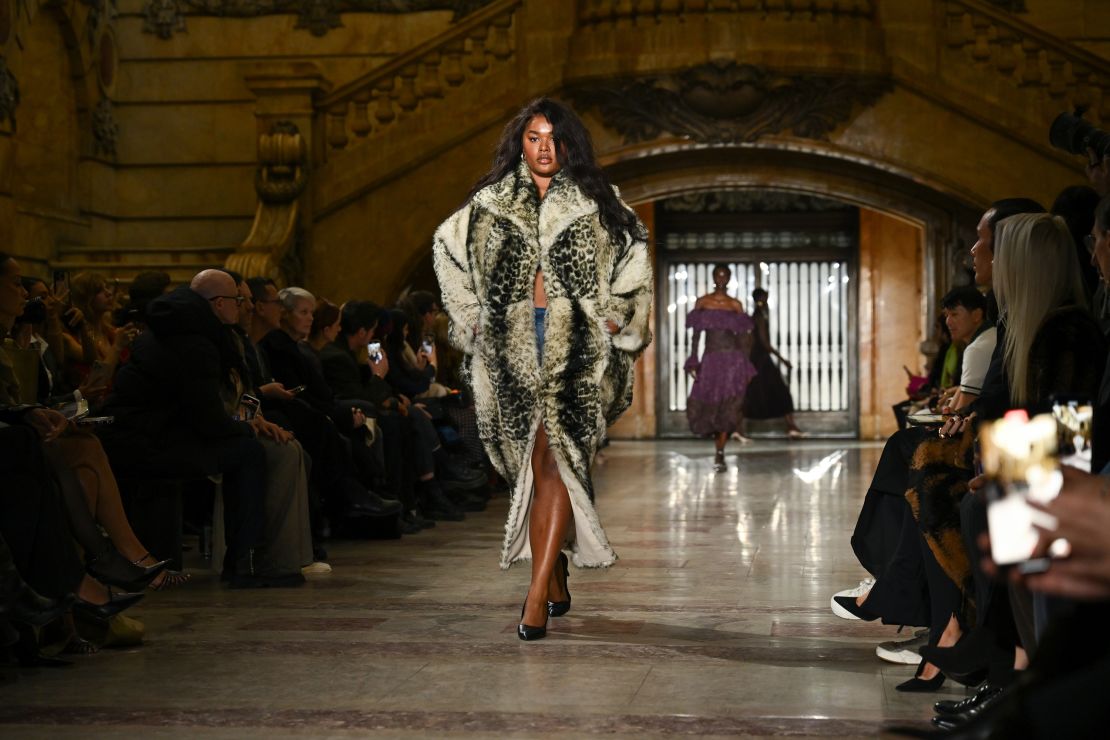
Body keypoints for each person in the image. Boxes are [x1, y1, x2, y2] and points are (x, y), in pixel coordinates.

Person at [433, 97, 653, 641]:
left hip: (576, 345)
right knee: (523, 468)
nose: (544, 147)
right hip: (509, 347)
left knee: (558, 458)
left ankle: (533, 599)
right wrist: (469, 318)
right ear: (521, 144)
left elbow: (635, 263)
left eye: (554, 137)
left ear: (570, 142)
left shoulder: (600, 202)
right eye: (534, 137)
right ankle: (552, 568)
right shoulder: (489, 204)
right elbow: (446, 251)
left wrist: (617, 316)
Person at [683, 265, 758, 472]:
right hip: (710, 360)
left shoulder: (735, 305)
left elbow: (744, 338)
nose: (721, 278)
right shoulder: (703, 302)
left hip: (733, 361)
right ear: (713, 277)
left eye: (725, 275)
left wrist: (746, 365)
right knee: (708, 402)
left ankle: (720, 452)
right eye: (718, 275)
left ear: (730, 278)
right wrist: (693, 359)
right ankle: (718, 447)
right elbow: (696, 336)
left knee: (729, 405)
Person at [743, 287, 803, 438]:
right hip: (761, 359)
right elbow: (764, 343)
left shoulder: (756, 316)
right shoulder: (759, 317)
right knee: (778, 391)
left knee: (755, 392)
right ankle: (791, 426)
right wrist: (783, 359)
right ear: (760, 299)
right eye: (765, 298)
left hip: (757, 358)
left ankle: (739, 429)